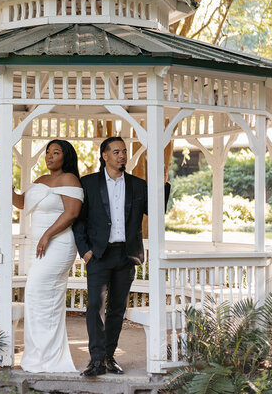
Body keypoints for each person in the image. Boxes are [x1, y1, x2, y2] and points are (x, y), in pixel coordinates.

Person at [72, 136, 170, 377]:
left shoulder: (137, 185)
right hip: (98, 255)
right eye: (116, 152)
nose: (122, 155)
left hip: (125, 255)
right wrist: (85, 251)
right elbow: (79, 219)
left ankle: (108, 357)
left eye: (124, 151)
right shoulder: (88, 183)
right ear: (104, 156)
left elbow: (156, 211)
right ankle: (95, 360)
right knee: (95, 305)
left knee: (117, 310)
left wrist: (162, 186)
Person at [12, 139, 83, 373]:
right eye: (47, 152)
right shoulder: (41, 180)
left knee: (39, 294)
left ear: (66, 156)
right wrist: (8, 189)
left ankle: (51, 358)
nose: (50, 156)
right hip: (39, 247)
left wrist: (47, 235)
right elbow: (23, 203)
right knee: (37, 300)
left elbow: (72, 213)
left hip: (58, 244)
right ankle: (39, 356)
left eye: (56, 152)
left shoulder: (70, 179)